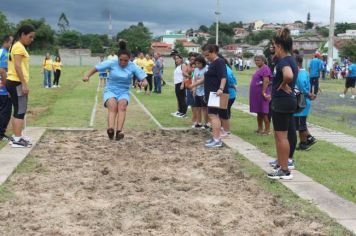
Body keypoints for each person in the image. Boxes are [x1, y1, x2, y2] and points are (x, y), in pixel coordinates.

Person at [83, 41, 147, 140]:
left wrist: (144, 83)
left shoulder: (133, 66)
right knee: (112, 106)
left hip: (124, 91)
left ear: (129, 59)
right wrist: (87, 76)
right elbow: (96, 68)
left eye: (125, 61)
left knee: (122, 106)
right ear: (118, 58)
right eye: (121, 60)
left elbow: (144, 80)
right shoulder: (112, 63)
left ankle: (119, 132)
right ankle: (110, 129)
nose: (123, 63)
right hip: (111, 90)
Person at [267, 28, 298, 180]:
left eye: (274, 45)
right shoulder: (290, 59)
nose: (273, 48)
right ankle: (281, 164)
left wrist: (282, 85)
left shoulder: (284, 61)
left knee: (281, 137)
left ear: (279, 45)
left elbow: (288, 75)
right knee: (280, 136)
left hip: (282, 101)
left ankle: (284, 170)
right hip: (285, 102)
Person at [6, 25, 35, 148]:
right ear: (23, 34)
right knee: (20, 110)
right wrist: (23, 83)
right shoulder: (18, 47)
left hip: (13, 82)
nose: (32, 39)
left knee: (17, 109)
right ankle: (17, 139)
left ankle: (17, 136)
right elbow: (17, 66)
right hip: (17, 82)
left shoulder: (18, 46)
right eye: (30, 37)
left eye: (33, 37)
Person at [202, 44, 227, 148]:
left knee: (213, 116)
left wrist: (221, 89)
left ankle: (217, 140)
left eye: (207, 55)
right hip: (211, 93)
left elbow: (223, 77)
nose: (206, 57)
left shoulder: (219, 62)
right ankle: (215, 137)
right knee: (212, 115)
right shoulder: (212, 63)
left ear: (213, 52)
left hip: (215, 94)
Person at [293, 55, 317, 150]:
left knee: (300, 124)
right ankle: (307, 139)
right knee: (301, 122)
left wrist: (308, 94)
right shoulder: (305, 72)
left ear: (297, 63)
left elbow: (302, 87)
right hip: (304, 100)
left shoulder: (300, 74)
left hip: (301, 101)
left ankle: (304, 143)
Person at [249, 55, 272, 135]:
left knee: (264, 112)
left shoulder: (265, 69)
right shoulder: (259, 68)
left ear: (263, 60)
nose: (256, 62)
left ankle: (267, 130)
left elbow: (266, 81)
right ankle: (260, 128)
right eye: (255, 60)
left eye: (258, 60)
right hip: (256, 94)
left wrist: (263, 92)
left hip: (262, 94)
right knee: (259, 112)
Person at [219, 54, 237, 137]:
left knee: (224, 111)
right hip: (228, 93)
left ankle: (225, 129)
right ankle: (223, 127)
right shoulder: (225, 67)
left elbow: (230, 79)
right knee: (225, 111)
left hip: (228, 93)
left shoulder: (225, 68)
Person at [189, 55, 209, 128]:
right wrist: (194, 89)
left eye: (198, 63)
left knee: (204, 108)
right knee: (197, 108)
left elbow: (204, 80)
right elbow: (194, 78)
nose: (197, 65)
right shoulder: (196, 69)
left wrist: (193, 85)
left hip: (204, 91)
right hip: (197, 91)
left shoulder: (206, 69)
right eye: (196, 63)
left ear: (202, 63)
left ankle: (206, 123)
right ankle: (199, 122)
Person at [0, 35, 14, 141]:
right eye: (11, 42)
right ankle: (1, 134)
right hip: (3, 90)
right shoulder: (5, 53)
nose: (12, 45)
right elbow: (3, 71)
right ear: (6, 42)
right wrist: (7, 88)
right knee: (5, 112)